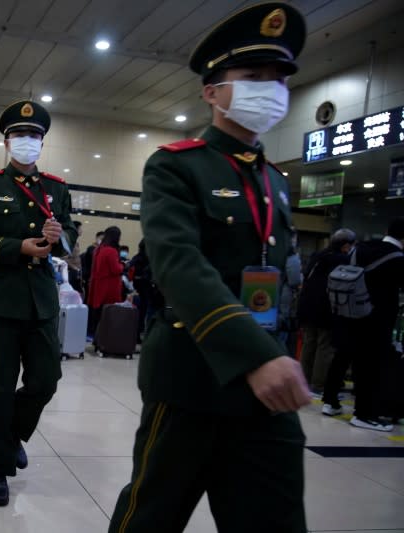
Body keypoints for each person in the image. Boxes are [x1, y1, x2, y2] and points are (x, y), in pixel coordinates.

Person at [109, 5, 310, 532]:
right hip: (191, 379)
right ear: (212, 91)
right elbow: (179, 265)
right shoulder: (176, 164)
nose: (269, 89)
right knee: (150, 517)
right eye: (251, 78)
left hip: (265, 387)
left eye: (277, 80)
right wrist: (254, 354)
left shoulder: (276, 182)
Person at [0, 99, 77, 506]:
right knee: (0, 387)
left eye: (34, 135)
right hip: (0, 299)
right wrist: (18, 247)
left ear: (42, 143)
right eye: (19, 134)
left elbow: (70, 239)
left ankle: (11, 437)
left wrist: (58, 235)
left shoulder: (57, 188)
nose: (27, 141)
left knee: (46, 379)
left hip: (42, 300)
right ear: (7, 141)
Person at [321, 218, 404, 431]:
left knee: (345, 359)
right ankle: (365, 415)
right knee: (372, 368)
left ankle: (330, 402)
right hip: (376, 322)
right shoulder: (397, 258)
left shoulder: (362, 248)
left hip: (349, 315)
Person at [297, 228, 355, 396]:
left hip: (307, 307)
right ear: (345, 245)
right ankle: (319, 384)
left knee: (309, 343)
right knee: (325, 346)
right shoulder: (341, 260)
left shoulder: (319, 255)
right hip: (326, 309)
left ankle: (303, 380)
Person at [87, 226, 126, 339]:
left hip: (97, 286)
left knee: (98, 314)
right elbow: (116, 269)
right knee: (108, 315)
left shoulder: (99, 249)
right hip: (109, 288)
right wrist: (123, 265)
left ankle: (97, 338)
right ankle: (105, 339)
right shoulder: (111, 251)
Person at [64, 221, 84, 293]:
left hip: (77, 273)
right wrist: (74, 268)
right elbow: (64, 258)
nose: (82, 230)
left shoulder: (76, 242)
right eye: (80, 228)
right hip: (71, 273)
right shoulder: (69, 241)